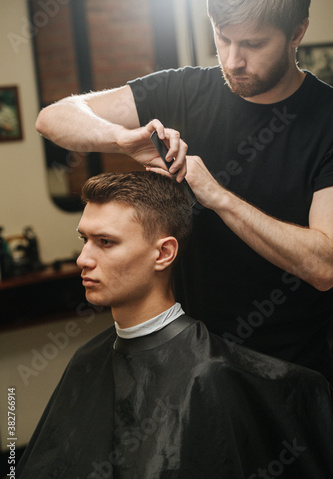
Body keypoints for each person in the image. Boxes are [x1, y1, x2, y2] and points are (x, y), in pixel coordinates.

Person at [35, 0, 333, 382]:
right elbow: (53, 119)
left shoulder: (325, 119)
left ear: (297, 33)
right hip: (192, 366)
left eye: (253, 45)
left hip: (291, 376)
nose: (233, 60)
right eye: (222, 39)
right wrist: (121, 138)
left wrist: (219, 197)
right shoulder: (184, 89)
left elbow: (324, 266)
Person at [1, 171, 333, 479]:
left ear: (163, 254)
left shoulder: (207, 377)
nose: (83, 259)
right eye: (83, 240)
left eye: (105, 242)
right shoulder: (87, 360)